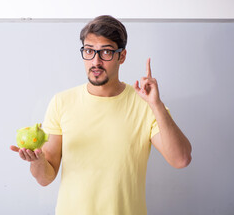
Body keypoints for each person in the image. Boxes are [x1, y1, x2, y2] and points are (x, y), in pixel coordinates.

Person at [10, 15, 192, 215]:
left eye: (105, 52)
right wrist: (37, 161)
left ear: (121, 56)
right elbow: (45, 177)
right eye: (89, 51)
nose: (96, 61)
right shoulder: (61, 102)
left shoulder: (146, 105)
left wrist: (156, 105)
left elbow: (181, 159)